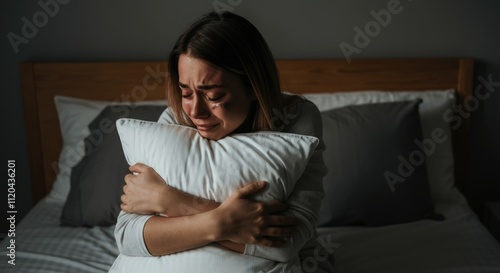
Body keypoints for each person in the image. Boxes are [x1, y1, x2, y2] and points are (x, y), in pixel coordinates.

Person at [112, 11, 334, 272]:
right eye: (186, 93)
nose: (195, 111)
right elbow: (128, 235)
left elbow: (286, 243)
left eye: (214, 96)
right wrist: (221, 223)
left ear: (253, 86)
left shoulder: (296, 119)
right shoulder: (175, 118)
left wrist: (170, 201)